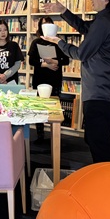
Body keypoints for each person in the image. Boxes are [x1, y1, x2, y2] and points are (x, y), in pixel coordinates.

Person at [43, 0, 110, 163]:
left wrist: (58, 42)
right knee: (96, 141)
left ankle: (107, 179)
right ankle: (104, 176)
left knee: (100, 146)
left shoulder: (106, 21)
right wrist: (63, 11)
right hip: (107, 92)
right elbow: (85, 27)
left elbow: (81, 53)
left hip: (101, 94)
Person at [28, 16, 70, 144]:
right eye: (43, 24)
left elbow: (66, 60)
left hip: (54, 79)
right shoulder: (36, 42)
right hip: (40, 79)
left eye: (48, 24)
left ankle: (55, 136)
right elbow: (31, 61)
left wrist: (54, 61)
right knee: (39, 108)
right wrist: (47, 65)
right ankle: (40, 135)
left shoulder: (59, 42)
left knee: (54, 109)